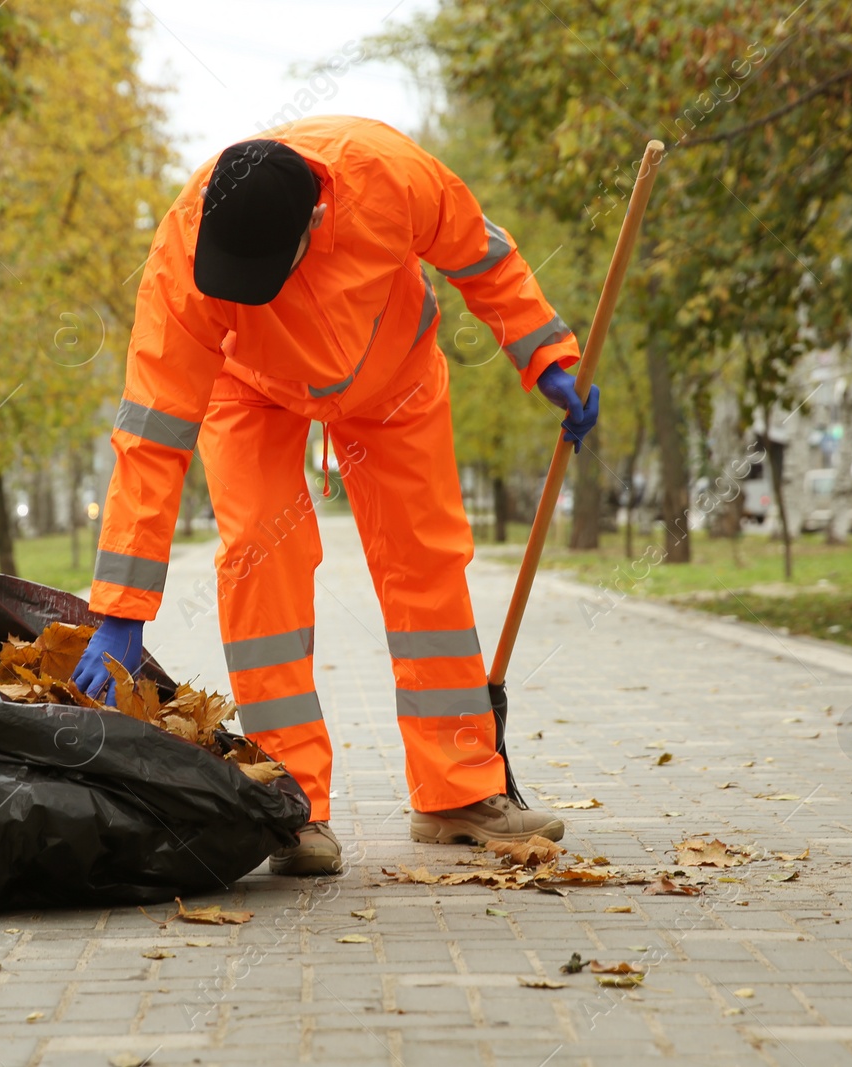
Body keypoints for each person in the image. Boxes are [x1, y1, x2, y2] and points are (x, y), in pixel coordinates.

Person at [70, 116, 598, 876]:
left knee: (427, 558)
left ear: (317, 219)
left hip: (395, 379)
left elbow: (483, 256)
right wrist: (119, 610)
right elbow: (152, 432)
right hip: (252, 392)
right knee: (260, 556)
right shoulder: (183, 254)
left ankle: (458, 792)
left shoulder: (392, 176)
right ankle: (292, 805)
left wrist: (545, 351)